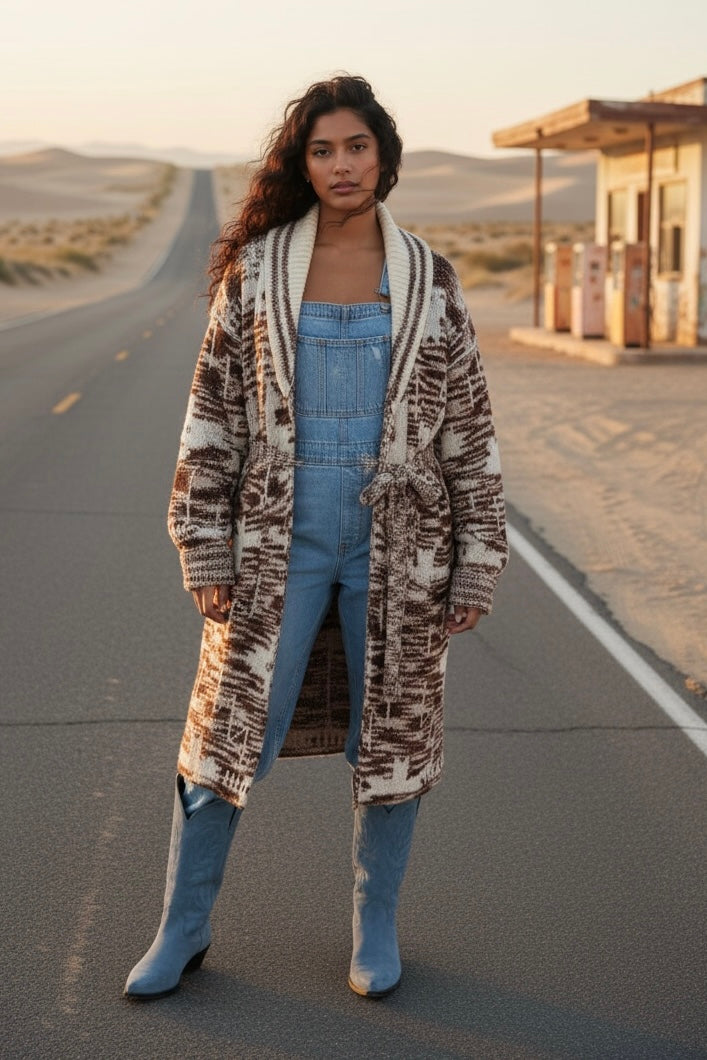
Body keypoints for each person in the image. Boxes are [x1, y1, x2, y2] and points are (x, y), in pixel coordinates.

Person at [124, 74, 508, 1002]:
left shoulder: (428, 277)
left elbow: (467, 427)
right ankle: (182, 928)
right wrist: (203, 544)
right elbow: (211, 413)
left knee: (393, 744)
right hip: (273, 544)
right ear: (303, 165)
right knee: (222, 738)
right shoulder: (256, 272)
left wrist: (475, 559)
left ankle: (374, 929)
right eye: (323, 150)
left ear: (384, 156)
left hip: (400, 547)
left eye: (358, 147)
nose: (343, 165)